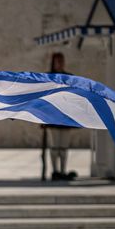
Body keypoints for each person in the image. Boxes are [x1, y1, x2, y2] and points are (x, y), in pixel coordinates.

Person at [43, 52, 78, 181]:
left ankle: (63, 170)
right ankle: (55, 171)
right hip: (52, 117)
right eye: (57, 61)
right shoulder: (48, 78)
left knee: (64, 146)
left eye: (61, 61)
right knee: (54, 146)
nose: (59, 64)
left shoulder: (69, 78)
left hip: (65, 117)